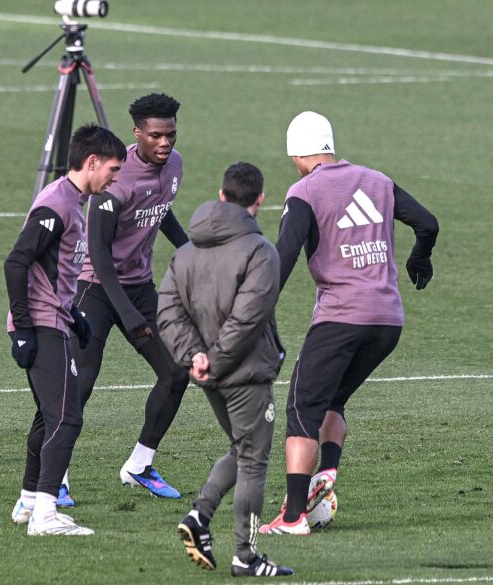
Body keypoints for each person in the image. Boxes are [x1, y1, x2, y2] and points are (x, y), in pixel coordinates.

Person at [260, 111, 439, 535]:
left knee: (302, 408)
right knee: (332, 401)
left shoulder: (304, 190)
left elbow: (282, 258)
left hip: (341, 318)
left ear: (296, 153)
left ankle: (292, 517)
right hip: (387, 321)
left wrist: (257, 311)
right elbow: (428, 223)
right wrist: (419, 257)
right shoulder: (377, 180)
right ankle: (328, 474)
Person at [158, 162, 293, 577]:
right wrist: (214, 357)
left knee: (241, 447)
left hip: (208, 376)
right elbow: (247, 319)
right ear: (260, 201)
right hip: (245, 375)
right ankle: (245, 556)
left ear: (221, 196)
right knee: (254, 459)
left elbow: (167, 310)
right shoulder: (259, 252)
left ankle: (199, 517)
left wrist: (195, 357)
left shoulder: (185, 253)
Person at [64, 93, 191, 505]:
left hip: (139, 285)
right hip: (96, 289)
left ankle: (139, 465)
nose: (165, 142)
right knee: (78, 384)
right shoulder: (116, 178)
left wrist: (188, 248)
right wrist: (129, 315)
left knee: (176, 372)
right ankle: (56, 476)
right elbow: (98, 253)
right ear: (137, 134)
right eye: (156, 135)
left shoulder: (175, 165)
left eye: (170, 134)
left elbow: (161, 207)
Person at [5, 123, 126, 536]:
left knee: (48, 416)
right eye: (112, 169)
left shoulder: (74, 202)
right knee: (66, 419)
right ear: (91, 162)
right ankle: (45, 515)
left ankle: (27, 502)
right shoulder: (56, 205)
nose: (115, 178)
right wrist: (22, 328)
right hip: (39, 324)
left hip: (54, 319)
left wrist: (75, 315)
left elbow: (52, 271)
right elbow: (16, 261)